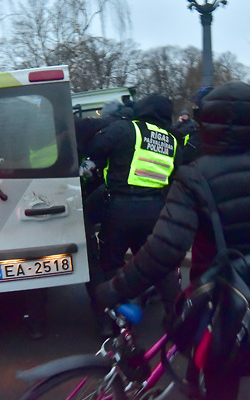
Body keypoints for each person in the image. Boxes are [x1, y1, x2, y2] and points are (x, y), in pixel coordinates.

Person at [96, 82, 250, 400]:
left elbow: (164, 251)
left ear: (207, 124)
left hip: (220, 310)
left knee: (221, 383)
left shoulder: (195, 177)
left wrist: (114, 289)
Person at [87, 93, 181, 337]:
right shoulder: (171, 138)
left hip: (120, 209)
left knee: (111, 263)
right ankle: (177, 314)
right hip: (155, 209)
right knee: (157, 262)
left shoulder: (126, 129)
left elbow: (95, 148)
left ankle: (114, 320)